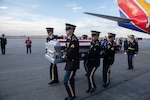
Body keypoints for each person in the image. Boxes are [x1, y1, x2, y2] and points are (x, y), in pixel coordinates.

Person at [63, 23, 79, 100]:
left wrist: (65, 56)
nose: (66, 30)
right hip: (69, 62)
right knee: (71, 80)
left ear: (72, 30)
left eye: (68, 29)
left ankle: (71, 96)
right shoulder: (69, 39)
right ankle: (72, 95)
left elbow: (71, 52)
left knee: (66, 81)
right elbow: (67, 49)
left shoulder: (74, 40)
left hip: (72, 64)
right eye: (66, 29)